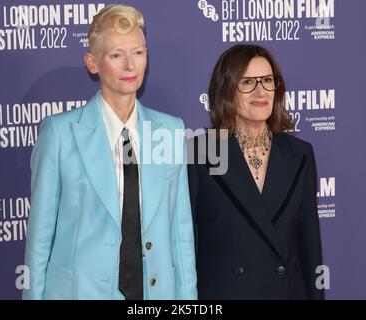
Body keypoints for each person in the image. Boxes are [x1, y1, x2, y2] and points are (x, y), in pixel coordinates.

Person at [23, 4, 197, 300]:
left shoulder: (170, 130)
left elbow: (180, 236)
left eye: (138, 53)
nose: (131, 65)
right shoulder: (60, 133)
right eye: (117, 55)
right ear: (92, 63)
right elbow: (39, 238)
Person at [188, 44, 324, 299]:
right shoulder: (199, 152)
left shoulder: (300, 154)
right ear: (227, 90)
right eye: (248, 82)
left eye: (268, 81)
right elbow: (187, 246)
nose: (261, 91)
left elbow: (310, 246)